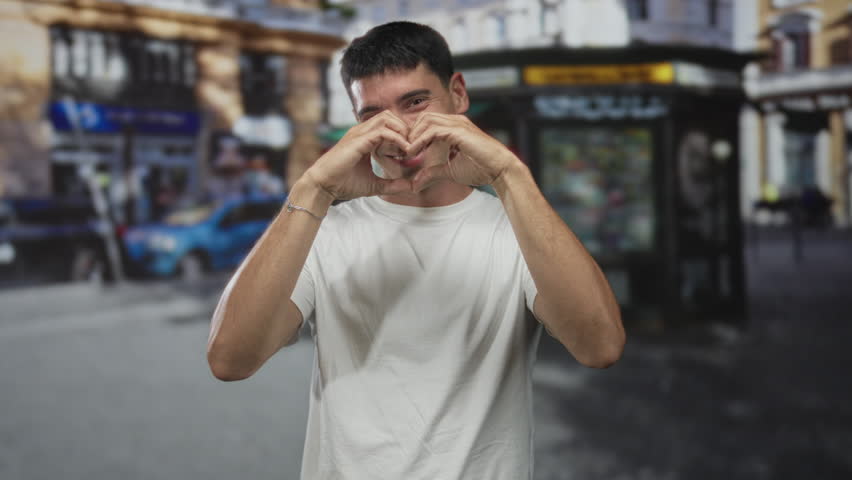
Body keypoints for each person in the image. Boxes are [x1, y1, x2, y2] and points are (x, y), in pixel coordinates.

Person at [206, 21, 625, 479]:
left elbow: (600, 346)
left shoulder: (518, 232)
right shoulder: (325, 232)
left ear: (458, 95)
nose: (400, 131)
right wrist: (312, 189)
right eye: (373, 116)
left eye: (416, 103)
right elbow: (230, 359)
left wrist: (509, 175)